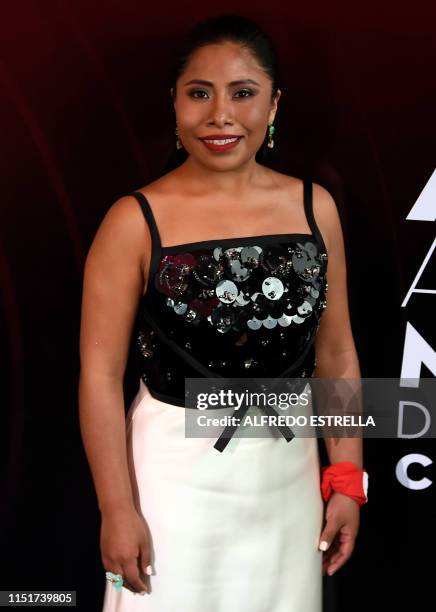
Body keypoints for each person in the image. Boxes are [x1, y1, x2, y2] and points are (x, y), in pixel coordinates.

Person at [79, 13, 367, 612]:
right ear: (175, 103)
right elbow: (100, 379)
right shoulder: (133, 219)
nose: (220, 115)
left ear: (274, 104)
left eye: (243, 93)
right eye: (199, 93)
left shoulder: (316, 209)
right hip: (172, 472)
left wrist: (346, 479)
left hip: (288, 469)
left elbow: (336, 355)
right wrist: (116, 507)